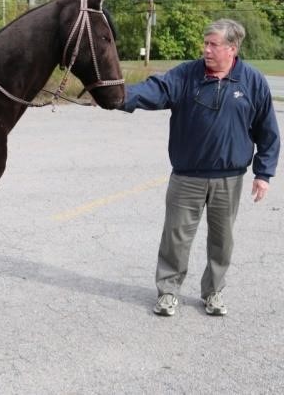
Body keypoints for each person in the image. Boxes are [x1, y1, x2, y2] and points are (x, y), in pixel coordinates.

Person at [119, 18, 280, 316]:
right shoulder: (186, 75)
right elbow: (155, 90)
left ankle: (213, 293)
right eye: (205, 43)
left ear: (231, 49)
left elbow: (267, 131)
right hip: (187, 176)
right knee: (176, 237)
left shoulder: (252, 81)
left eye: (213, 44)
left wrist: (263, 174)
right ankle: (168, 292)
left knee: (222, 241)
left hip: (229, 178)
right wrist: (119, 96)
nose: (206, 49)